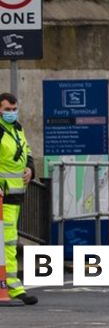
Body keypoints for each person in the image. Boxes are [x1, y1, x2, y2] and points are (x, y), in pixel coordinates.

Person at [0, 92, 36, 305]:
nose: (12, 113)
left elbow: (27, 153)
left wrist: (30, 169)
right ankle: (13, 288)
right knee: (6, 243)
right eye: (7, 110)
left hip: (14, 196)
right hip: (3, 197)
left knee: (10, 243)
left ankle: (13, 288)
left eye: (14, 109)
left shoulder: (17, 129)